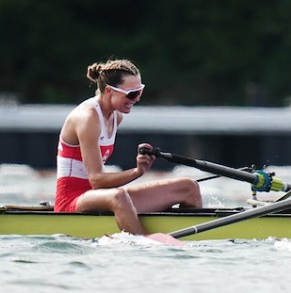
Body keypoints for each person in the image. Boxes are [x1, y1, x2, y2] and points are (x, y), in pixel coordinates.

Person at [55, 59, 203, 235]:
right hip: (72, 201)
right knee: (119, 196)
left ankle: (196, 238)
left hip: (99, 196)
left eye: (140, 91)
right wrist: (137, 172)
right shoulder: (87, 118)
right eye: (132, 94)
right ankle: (144, 244)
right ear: (109, 91)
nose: (137, 99)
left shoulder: (116, 116)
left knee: (189, 187)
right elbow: (96, 179)